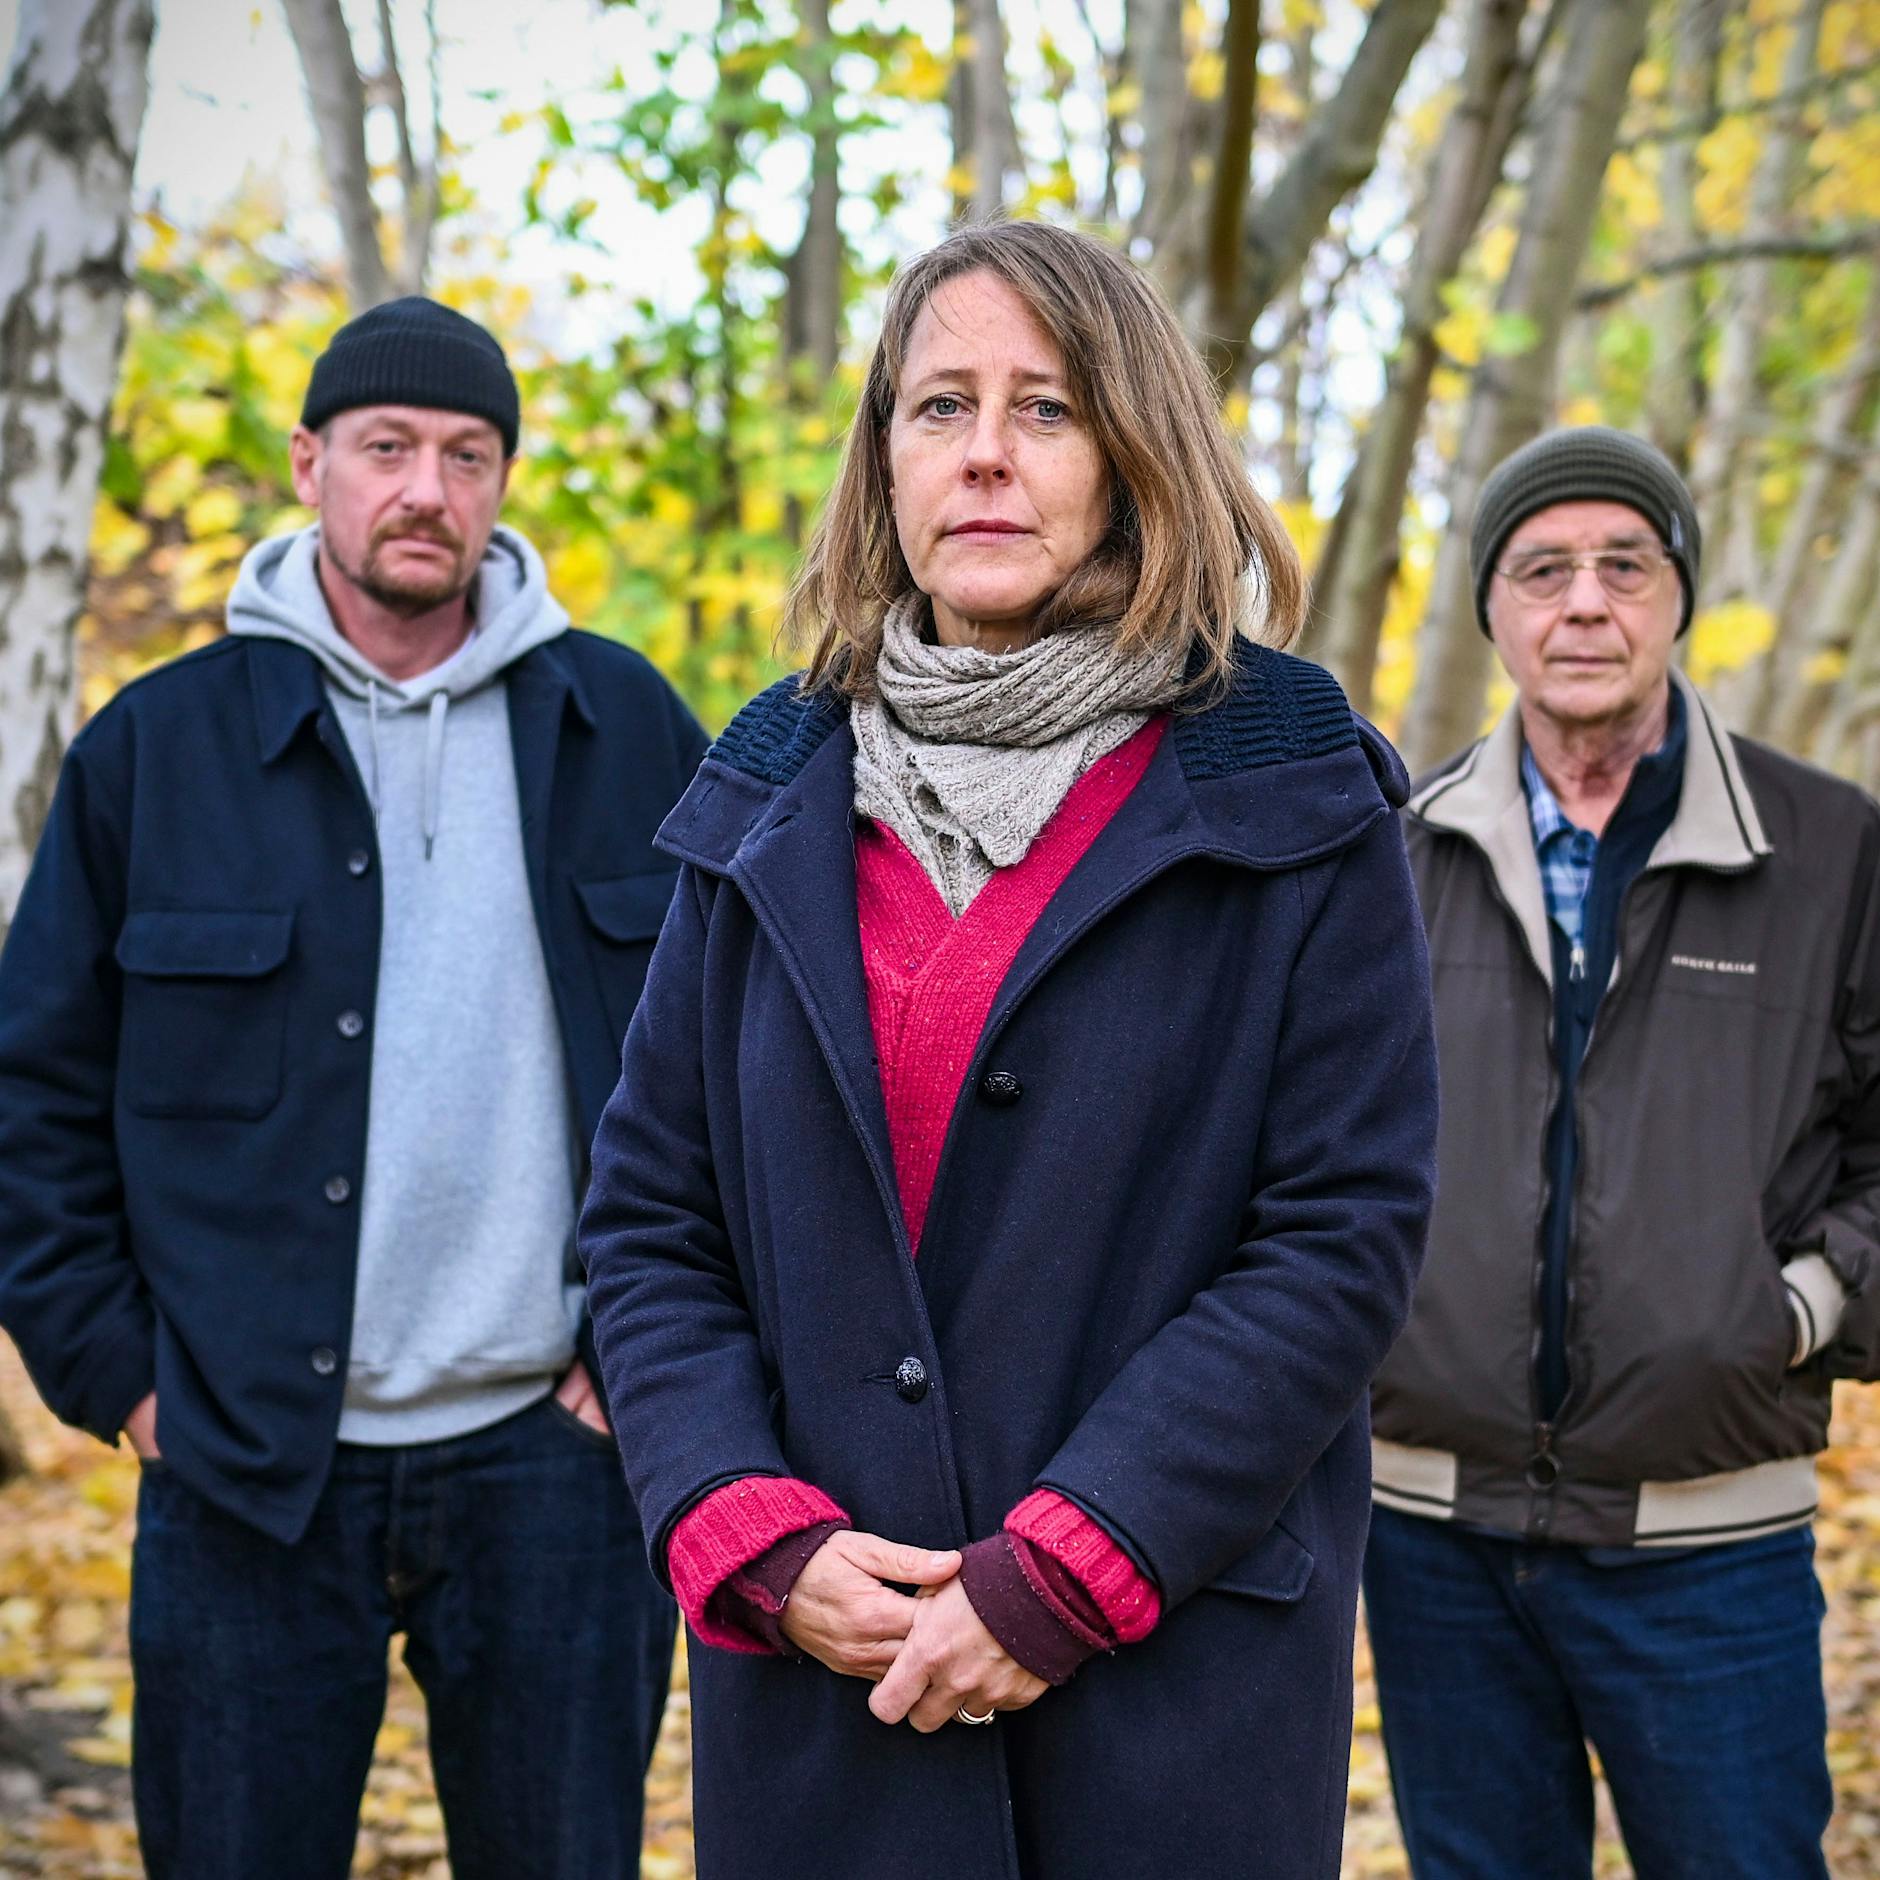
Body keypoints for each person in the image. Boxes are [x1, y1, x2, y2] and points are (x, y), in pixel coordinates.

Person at [577, 219, 1438, 1880]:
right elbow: (647, 1223)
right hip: (836, 1698)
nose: (984, 455)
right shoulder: (763, 795)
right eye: (938, 405)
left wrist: (1065, 1568)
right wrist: (743, 1526)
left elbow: (1339, 1239)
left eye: (1045, 411)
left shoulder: (1295, 787)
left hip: (1170, 1689)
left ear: (1133, 453)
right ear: (881, 459)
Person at [0, 297, 707, 1879]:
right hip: (245, 1469)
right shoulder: (156, 751)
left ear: (504, 483)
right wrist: (120, 1374)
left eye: (468, 456)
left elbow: (742, 1073)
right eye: (387, 449)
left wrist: (647, 1355)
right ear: (311, 463)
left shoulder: (631, 730)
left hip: (557, 1456)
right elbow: (31, 1099)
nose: (426, 490)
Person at [1365, 425, 1880, 1880]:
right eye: (1542, 570)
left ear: (1676, 596)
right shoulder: (1390, 854)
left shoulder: (1833, 851)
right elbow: (1310, 1151)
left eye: (1622, 566)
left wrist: (1798, 1308)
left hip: (1709, 1546)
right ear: (1495, 610)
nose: (1583, 603)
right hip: (1430, 1537)